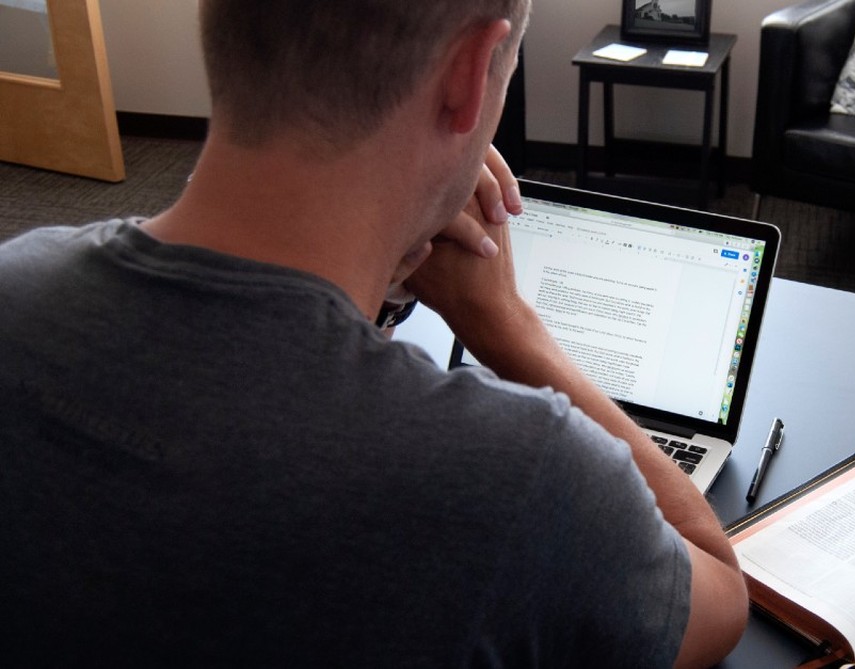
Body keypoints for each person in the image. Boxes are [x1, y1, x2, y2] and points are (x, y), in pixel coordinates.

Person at [0, 0, 748, 666]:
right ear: (472, 72)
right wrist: (512, 329)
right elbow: (719, 594)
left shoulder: (15, 279)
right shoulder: (522, 475)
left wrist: (368, 291)